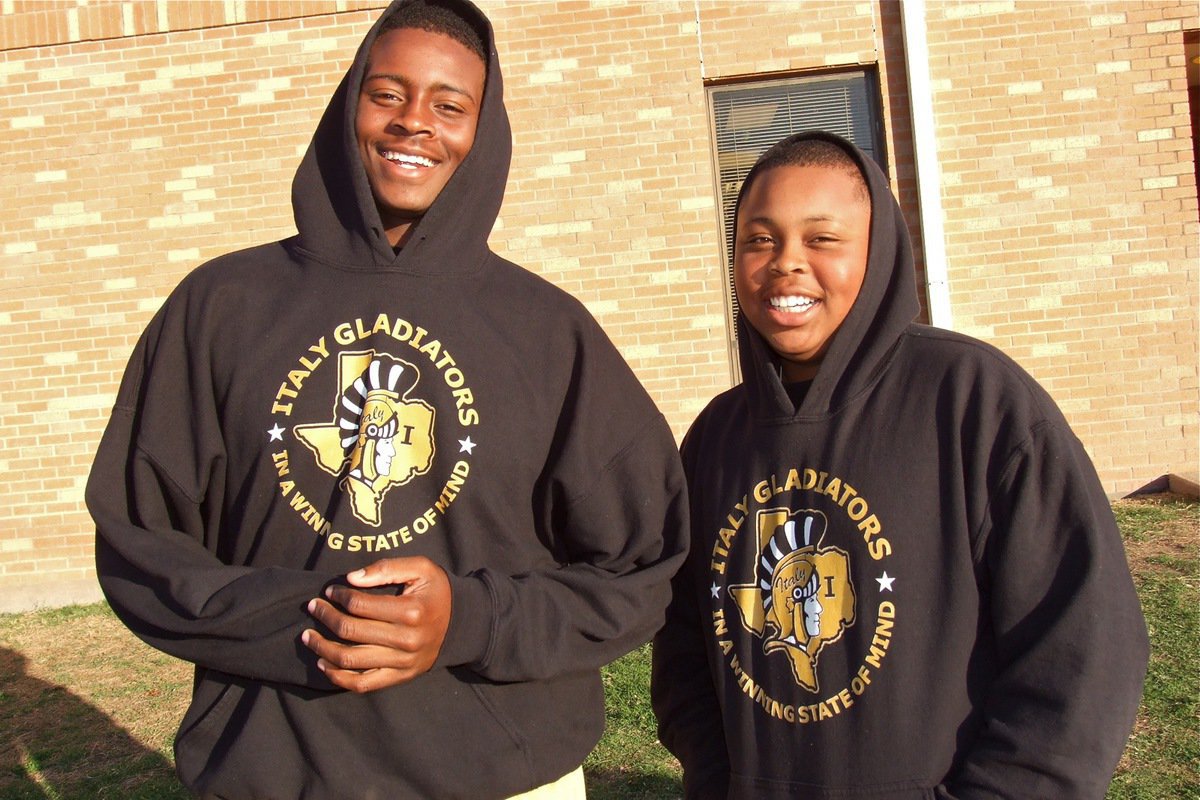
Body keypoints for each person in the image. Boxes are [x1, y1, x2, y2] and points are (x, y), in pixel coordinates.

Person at [87, 2, 689, 798]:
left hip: (503, 775)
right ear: (349, 107)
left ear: (484, 127)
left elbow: (644, 563)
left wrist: (466, 620)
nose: (415, 123)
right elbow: (140, 539)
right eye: (388, 94)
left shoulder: (547, 331)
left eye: (449, 105)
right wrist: (317, 618)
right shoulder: (221, 308)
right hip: (276, 771)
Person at [651, 131, 1148, 799]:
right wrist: (720, 778)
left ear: (879, 253)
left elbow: (1084, 647)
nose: (786, 264)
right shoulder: (717, 437)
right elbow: (685, 645)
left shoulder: (976, 401)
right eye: (759, 240)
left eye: (821, 240)